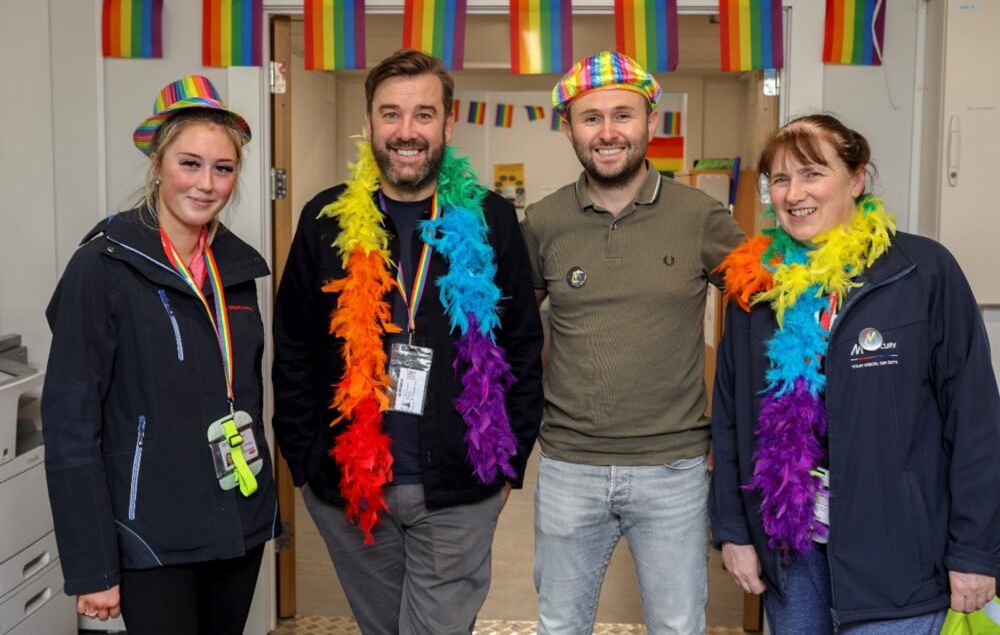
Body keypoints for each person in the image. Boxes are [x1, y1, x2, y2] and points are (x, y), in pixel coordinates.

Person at [272, 49, 544, 634]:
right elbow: (292, 347)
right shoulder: (325, 219)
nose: (406, 131)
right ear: (368, 124)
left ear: (448, 124)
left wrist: (506, 465)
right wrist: (307, 462)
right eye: (390, 113)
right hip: (351, 490)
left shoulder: (492, 219)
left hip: (460, 487)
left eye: (423, 114)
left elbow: (522, 343)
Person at [709, 114, 1000, 633]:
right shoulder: (754, 289)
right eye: (779, 179)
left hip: (898, 561)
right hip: (790, 554)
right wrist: (733, 530)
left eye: (812, 173)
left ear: (857, 178)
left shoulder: (922, 271)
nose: (794, 193)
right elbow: (730, 421)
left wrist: (976, 550)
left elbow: (976, 421)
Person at [41, 75, 278, 634]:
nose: (206, 184)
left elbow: (245, 390)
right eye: (189, 164)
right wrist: (93, 565)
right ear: (157, 164)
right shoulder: (102, 267)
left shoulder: (238, 270)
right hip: (152, 537)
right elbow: (71, 425)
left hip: (236, 527)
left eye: (223, 168)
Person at [521, 50, 745, 634]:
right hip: (569, 466)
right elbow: (504, 332)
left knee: (678, 624)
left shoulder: (702, 216)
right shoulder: (543, 222)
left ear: (651, 122)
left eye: (624, 115)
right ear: (568, 128)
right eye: (591, 118)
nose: (608, 132)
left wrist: (736, 429)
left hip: (673, 469)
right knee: (559, 624)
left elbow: (764, 316)